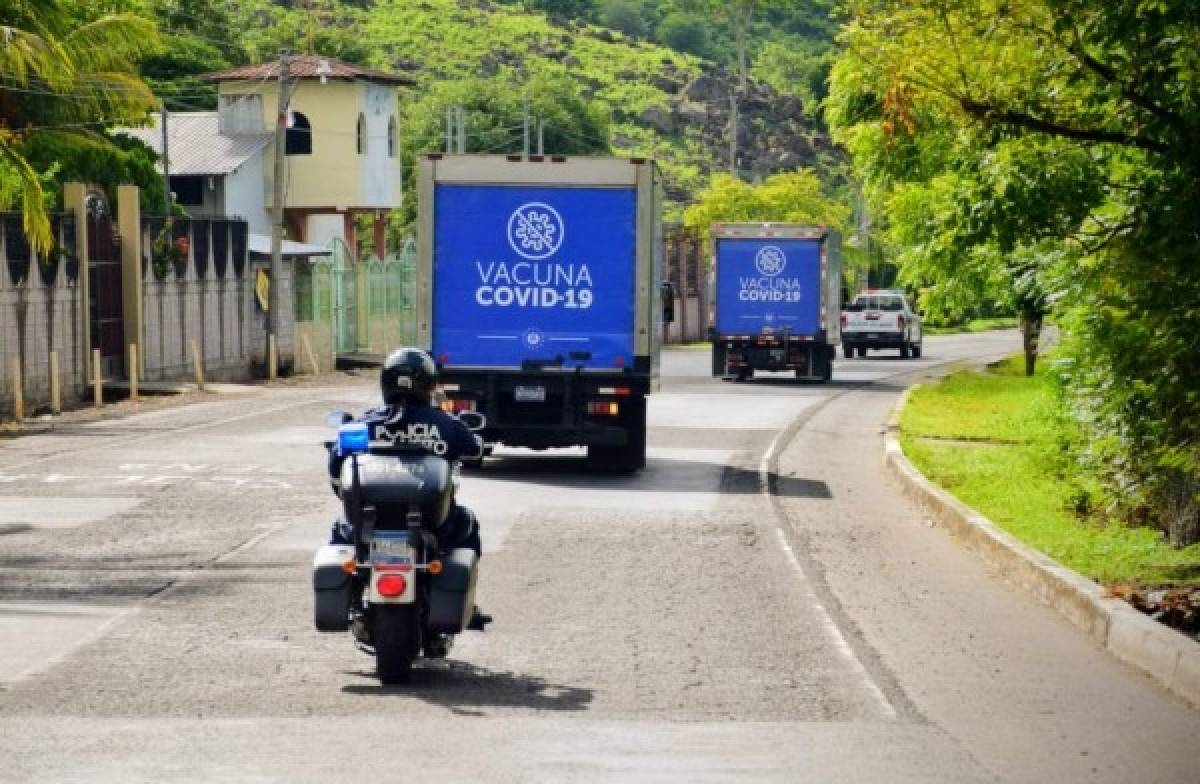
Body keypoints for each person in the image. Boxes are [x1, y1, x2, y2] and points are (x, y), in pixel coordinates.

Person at [327, 347, 491, 631]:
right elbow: (475, 447)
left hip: (368, 523)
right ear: (429, 384)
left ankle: (351, 596)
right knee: (467, 523)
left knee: (340, 531)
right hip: (432, 526)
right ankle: (466, 604)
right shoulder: (445, 424)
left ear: (386, 382)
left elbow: (335, 468)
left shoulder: (365, 423)